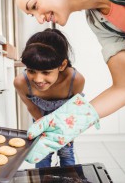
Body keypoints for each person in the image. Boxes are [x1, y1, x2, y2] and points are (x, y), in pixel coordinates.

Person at [12, 0, 125, 182]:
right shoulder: (99, 22)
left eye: (34, 5)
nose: (39, 18)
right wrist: (69, 122)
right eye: (31, 15)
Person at [13, 28, 85, 168]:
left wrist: (66, 132)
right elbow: (32, 107)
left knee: (66, 152)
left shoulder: (75, 80)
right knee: (41, 154)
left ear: (62, 65)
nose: (38, 79)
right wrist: (43, 129)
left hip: (66, 120)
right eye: (31, 70)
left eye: (46, 72)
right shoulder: (21, 82)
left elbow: (74, 109)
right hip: (40, 117)